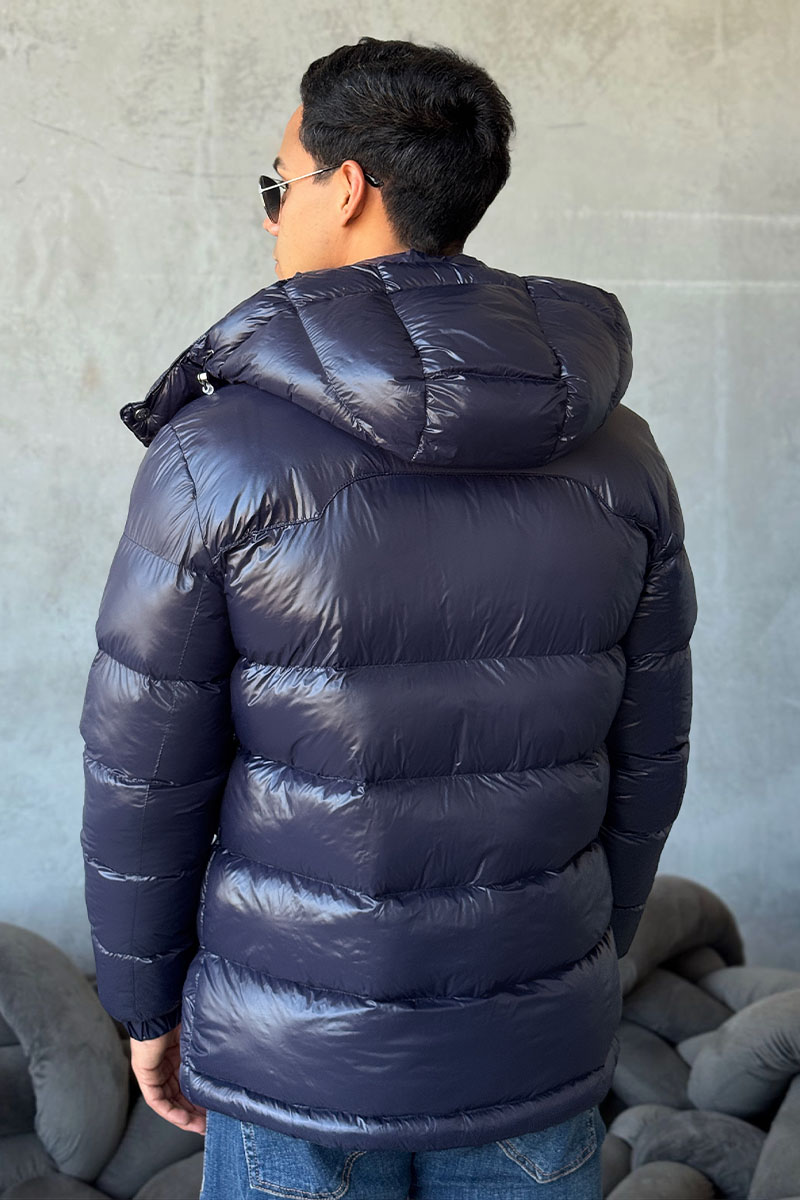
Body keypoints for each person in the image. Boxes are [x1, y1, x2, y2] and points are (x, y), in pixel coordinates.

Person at [79, 35, 697, 1200]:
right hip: (531, 1046)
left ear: (347, 188)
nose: (270, 215)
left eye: (276, 184)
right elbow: (647, 755)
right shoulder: (621, 454)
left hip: (293, 1060)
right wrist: (579, 963)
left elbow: (141, 774)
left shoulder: (216, 457)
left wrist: (143, 1005)